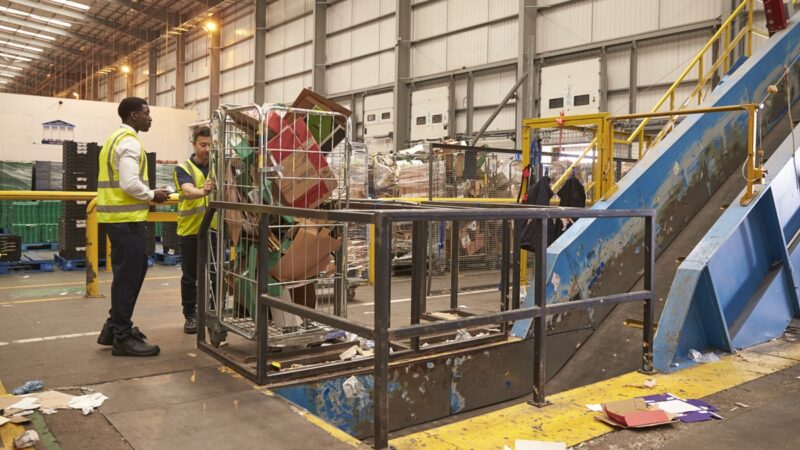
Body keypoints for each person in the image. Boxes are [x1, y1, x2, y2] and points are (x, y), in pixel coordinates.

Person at [96, 97, 170, 356]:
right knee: (129, 276)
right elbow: (128, 184)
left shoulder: (115, 139)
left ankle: (112, 327)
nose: (150, 118)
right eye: (146, 113)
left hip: (118, 219)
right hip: (125, 221)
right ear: (132, 115)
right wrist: (153, 195)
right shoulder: (129, 142)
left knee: (132, 271)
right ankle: (122, 337)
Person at [173, 126, 215, 334]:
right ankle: (190, 315)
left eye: (210, 145)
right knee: (191, 276)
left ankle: (214, 311)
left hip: (215, 230)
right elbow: (187, 190)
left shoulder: (220, 166)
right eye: (203, 145)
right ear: (194, 145)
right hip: (190, 230)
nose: (207, 149)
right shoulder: (184, 168)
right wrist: (203, 191)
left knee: (216, 272)